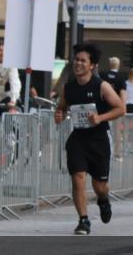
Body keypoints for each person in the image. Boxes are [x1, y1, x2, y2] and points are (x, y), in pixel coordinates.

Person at [54, 43, 126, 235]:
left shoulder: (101, 86)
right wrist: (59, 115)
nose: (78, 63)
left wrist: (100, 118)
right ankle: (83, 221)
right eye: (76, 59)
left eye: (83, 61)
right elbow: (61, 107)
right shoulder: (69, 88)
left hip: (99, 140)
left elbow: (121, 108)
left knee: (99, 185)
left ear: (92, 65)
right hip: (78, 139)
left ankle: (103, 200)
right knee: (78, 179)